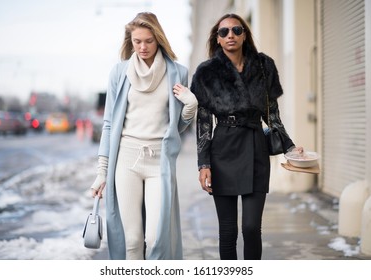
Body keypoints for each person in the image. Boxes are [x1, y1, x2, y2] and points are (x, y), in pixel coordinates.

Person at [190, 13, 303, 260]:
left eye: (236, 30)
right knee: (228, 231)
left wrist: (290, 147)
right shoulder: (206, 72)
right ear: (217, 39)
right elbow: (204, 121)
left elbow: (272, 114)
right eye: (224, 32)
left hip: (255, 148)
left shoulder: (264, 66)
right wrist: (204, 163)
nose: (230, 35)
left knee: (252, 228)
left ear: (244, 35)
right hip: (222, 150)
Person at [90, 12, 197, 260]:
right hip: (126, 160)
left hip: (159, 160)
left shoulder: (177, 73)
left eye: (148, 40)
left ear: (158, 38)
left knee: (155, 238)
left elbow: (177, 127)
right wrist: (101, 172)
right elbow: (108, 125)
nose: (142, 47)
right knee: (132, 240)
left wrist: (190, 107)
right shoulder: (119, 73)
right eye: (137, 41)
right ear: (131, 40)